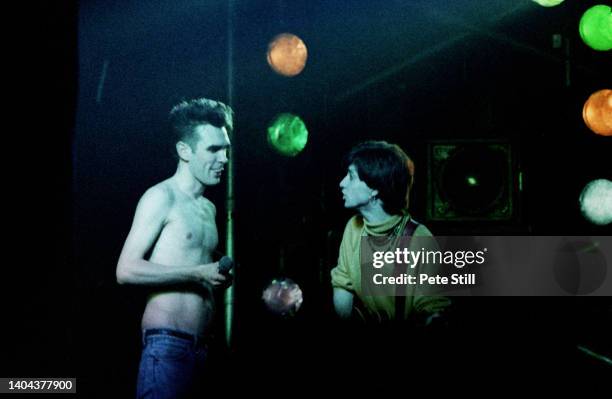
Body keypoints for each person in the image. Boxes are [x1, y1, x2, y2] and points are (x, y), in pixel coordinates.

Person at [116, 98, 233, 398]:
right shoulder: (161, 196)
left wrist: (216, 272)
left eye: (225, 149)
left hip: (203, 347)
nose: (224, 159)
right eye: (213, 149)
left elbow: (191, 260)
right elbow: (126, 270)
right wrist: (198, 273)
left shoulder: (208, 208)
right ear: (184, 151)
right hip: (168, 345)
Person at [331, 140, 450, 325]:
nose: (342, 183)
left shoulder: (419, 238)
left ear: (374, 189)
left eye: (351, 176)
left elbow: (434, 309)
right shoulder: (353, 228)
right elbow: (342, 284)